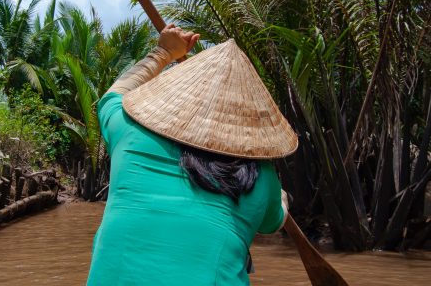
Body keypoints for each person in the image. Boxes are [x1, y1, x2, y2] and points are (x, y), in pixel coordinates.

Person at [87, 24, 298, 285]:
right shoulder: (261, 176)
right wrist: (281, 198)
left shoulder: (129, 132)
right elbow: (273, 222)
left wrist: (163, 51)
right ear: (244, 120)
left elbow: (113, 96)